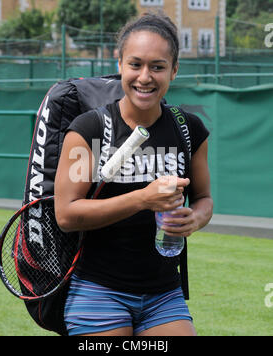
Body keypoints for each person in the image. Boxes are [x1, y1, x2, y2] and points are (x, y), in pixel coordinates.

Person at [54, 12, 213, 336]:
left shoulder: (188, 129)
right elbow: (67, 214)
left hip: (164, 295)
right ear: (120, 64)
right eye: (135, 64)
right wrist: (143, 199)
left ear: (174, 70)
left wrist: (195, 219)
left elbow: (204, 199)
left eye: (157, 66)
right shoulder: (89, 129)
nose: (145, 77)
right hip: (98, 290)